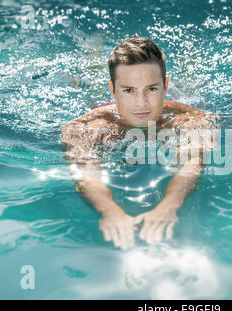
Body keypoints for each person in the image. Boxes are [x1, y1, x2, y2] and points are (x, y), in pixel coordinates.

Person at [61, 35, 219, 249]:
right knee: (87, 84)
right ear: (113, 90)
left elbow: (192, 163)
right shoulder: (89, 127)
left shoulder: (191, 120)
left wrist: (170, 204)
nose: (141, 103)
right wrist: (109, 210)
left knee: (191, 88)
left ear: (165, 85)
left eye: (152, 89)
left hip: (176, 106)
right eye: (128, 90)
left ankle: (192, 56)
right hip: (105, 107)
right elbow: (85, 174)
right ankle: (91, 51)